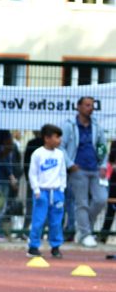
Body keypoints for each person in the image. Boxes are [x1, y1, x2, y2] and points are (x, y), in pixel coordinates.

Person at [60, 96, 108, 248]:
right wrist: (70, 164)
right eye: (87, 105)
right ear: (78, 107)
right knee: (81, 203)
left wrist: (103, 164)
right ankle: (86, 234)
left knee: (101, 199)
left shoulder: (97, 126)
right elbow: (61, 146)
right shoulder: (69, 126)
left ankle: (83, 228)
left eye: (92, 105)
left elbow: (103, 146)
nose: (90, 108)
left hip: (95, 168)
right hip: (78, 169)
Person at [27, 124, 66, 259]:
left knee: (56, 222)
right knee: (38, 220)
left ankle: (55, 247)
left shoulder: (60, 154)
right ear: (47, 138)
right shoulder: (38, 153)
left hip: (56, 192)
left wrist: (61, 189)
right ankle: (33, 246)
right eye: (56, 137)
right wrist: (36, 189)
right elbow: (33, 173)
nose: (59, 140)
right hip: (42, 192)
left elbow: (62, 173)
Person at [21, 130, 43, 238]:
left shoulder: (32, 143)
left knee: (31, 205)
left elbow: (25, 162)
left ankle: (26, 229)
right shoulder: (33, 144)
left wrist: (27, 177)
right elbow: (26, 162)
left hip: (37, 180)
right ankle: (29, 229)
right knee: (34, 206)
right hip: (36, 179)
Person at [98, 141, 116, 244]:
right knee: (111, 209)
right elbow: (111, 160)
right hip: (114, 180)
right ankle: (103, 236)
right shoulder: (114, 144)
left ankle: (103, 235)